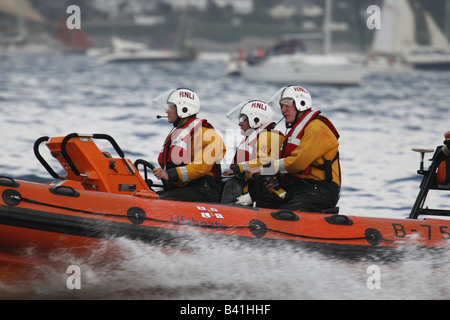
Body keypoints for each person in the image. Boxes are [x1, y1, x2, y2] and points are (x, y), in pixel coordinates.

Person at [245, 85, 341, 212]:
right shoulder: (298, 130)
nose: (283, 110)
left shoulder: (317, 128)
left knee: (283, 215)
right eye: (281, 106)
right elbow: (288, 165)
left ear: (301, 103)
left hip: (319, 190)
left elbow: (298, 162)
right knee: (264, 200)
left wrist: (263, 169)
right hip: (300, 188)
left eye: (287, 105)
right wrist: (275, 179)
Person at [152, 88, 226, 203]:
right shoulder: (178, 133)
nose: (167, 111)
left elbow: (201, 167)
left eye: (171, 106)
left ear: (184, 109)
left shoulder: (206, 133)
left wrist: (170, 174)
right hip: (183, 188)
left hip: (203, 191)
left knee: (159, 201)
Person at [221, 100, 285, 205]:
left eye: (244, 119)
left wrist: (239, 169)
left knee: (231, 183)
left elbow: (265, 161)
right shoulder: (255, 136)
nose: (240, 123)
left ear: (256, 120)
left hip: (260, 188)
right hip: (249, 185)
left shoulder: (269, 136)